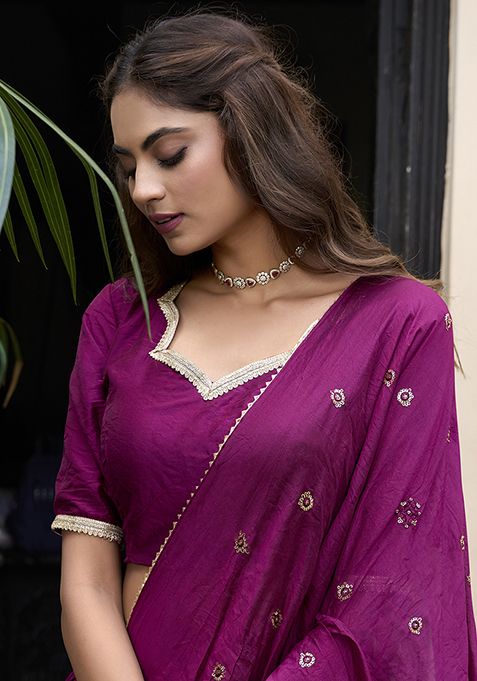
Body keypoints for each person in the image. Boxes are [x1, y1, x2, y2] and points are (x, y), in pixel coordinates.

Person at [50, 7, 477, 680]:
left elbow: (393, 595)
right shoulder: (121, 321)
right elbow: (87, 581)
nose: (144, 189)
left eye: (170, 155)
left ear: (251, 130)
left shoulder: (398, 326)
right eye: (128, 167)